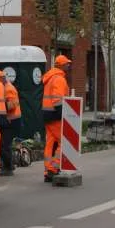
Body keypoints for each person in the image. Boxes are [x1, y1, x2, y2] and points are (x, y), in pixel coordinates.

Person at [41, 54, 71, 182]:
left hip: (47, 114)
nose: (69, 66)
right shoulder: (59, 79)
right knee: (64, 141)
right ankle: (53, 167)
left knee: (50, 142)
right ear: (62, 65)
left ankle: (48, 170)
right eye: (67, 64)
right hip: (55, 114)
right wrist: (63, 113)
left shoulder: (50, 78)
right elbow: (57, 99)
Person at [0, 73, 22, 176]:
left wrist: (1, 108)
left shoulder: (8, 89)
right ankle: (9, 165)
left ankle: (8, 168)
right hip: (11, 120)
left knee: (4, 145)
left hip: (11, 120)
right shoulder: (7, 87)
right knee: (6, 144)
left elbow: (11, 105)